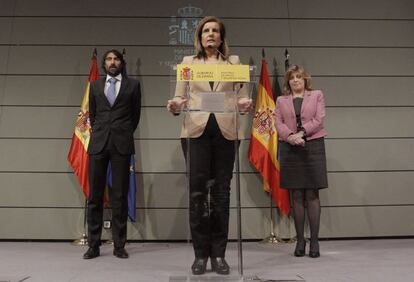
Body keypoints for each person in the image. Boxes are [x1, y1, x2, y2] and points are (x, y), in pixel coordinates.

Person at [167, 16, 252, 275]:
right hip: (195, 132)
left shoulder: (234, 63)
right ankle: (200, 254)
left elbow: (243, 98)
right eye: (206, 31)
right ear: (200, 37)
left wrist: (244, 105)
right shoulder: (188, 64)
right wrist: (175, 105)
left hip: (226, 132)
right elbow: (179, 98)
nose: (211, 34)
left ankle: (219, 255)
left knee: (221, 195)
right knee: (197, 195)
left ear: (221, 36)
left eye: (215, 30)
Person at [83, 49, 141, 259]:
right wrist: (103, 131)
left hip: (121, 144)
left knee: (119, 196)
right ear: (103, 64)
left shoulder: (133, 85)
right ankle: (93, 245)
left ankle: (119, 245)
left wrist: (121, 133)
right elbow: (93, 114)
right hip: (98, 144)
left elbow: (135, 116)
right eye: (108, 59)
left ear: (122, 62)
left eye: (116, 58)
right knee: (95, 197)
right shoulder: (95, 85)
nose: (112, 62)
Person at [275, 64, 328, 258]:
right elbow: (278, 123)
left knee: (312, 195)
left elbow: (319, 118)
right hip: (290, 147)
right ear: (288, 82)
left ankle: (314, 241)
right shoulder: (281, 100)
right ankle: (300, 241)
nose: (295, 80)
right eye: (292, 78)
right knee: (296, 195)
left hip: (312, 145)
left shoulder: (317, 95)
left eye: (299, 77)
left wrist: (302, 133)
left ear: (305, 79)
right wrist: (291, 137)